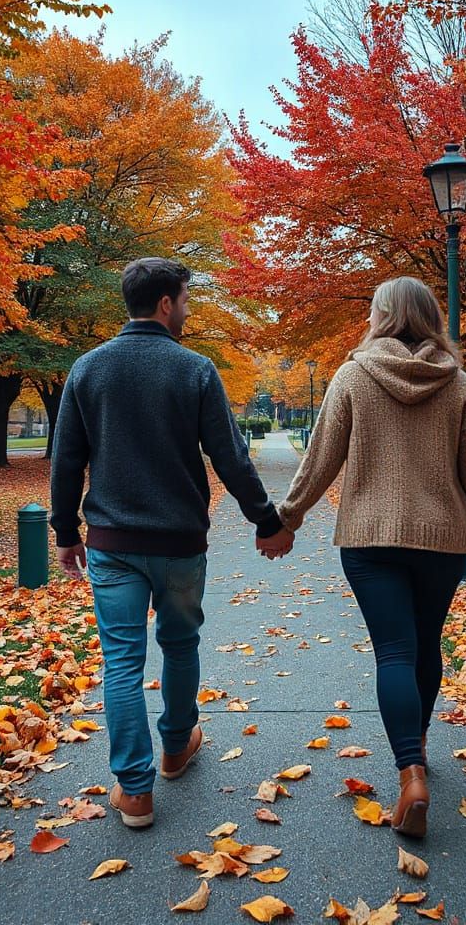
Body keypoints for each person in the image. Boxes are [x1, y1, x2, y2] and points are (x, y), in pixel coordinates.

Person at [51, 257, 294, 829]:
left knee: (121, 661)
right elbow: (229, 456)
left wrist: (65, 532)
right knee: (181, 645)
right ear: (165, 303)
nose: (186, 309)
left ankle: (134, 791)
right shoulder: (195, 371)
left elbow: (67, 459)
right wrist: (266, 520)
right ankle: (176, 748)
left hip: (111, 542)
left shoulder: (87, 369)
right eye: (184, 299)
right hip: (181, 544)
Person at [275, 276, 466, 839]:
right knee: (425, 645)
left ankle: (410, 774)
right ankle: (417, 748)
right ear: (430, 320)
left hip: (371, 539)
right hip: (442, 538)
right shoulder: (459, 383)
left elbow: (322, 457)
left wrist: (288, 518)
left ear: (381, 316)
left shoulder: (353, 375)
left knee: (394, 651)